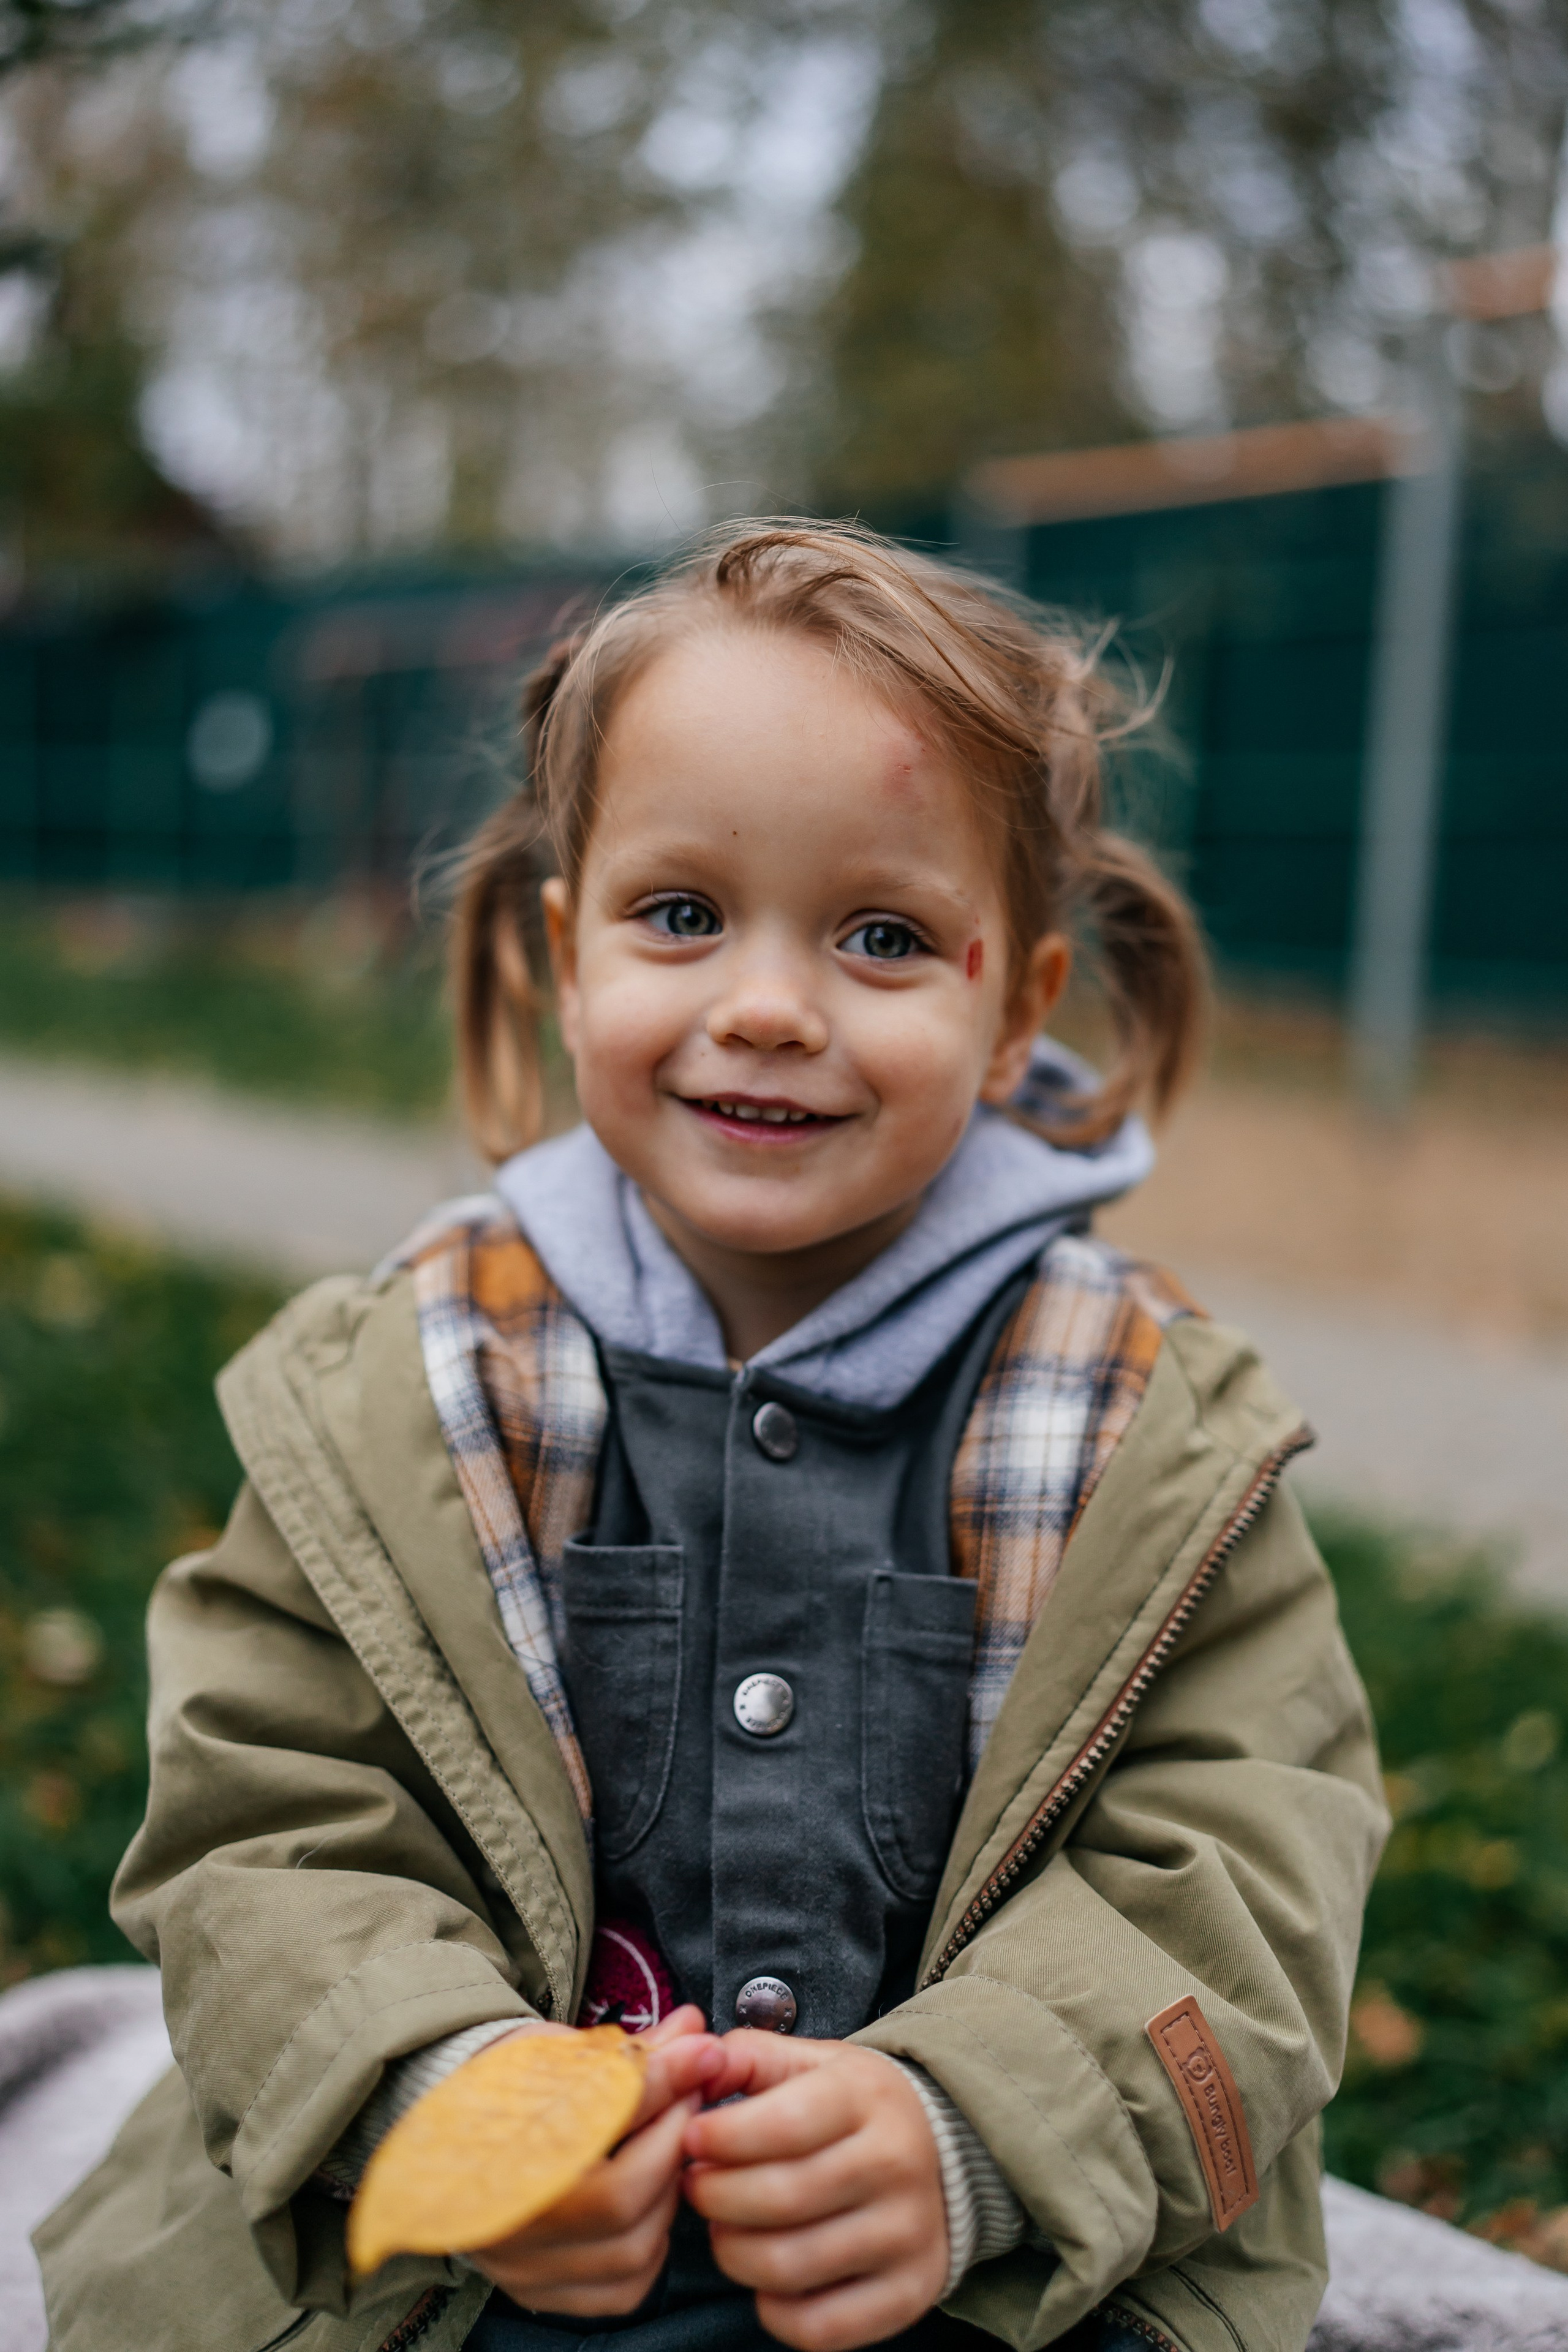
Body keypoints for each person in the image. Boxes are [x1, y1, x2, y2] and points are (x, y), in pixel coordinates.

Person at [36, 523, 1388, 2352]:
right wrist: (433, 2098)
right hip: (470, 2281)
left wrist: (974, 2129)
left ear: (1017, 1012)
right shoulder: (413, 1394)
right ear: (562, 953)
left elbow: (1244, 1877)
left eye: (884, 936)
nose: (766, 1003)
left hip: (985, 2280)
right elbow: (267, 1838)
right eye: (681, 914)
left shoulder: (1136, 1432)